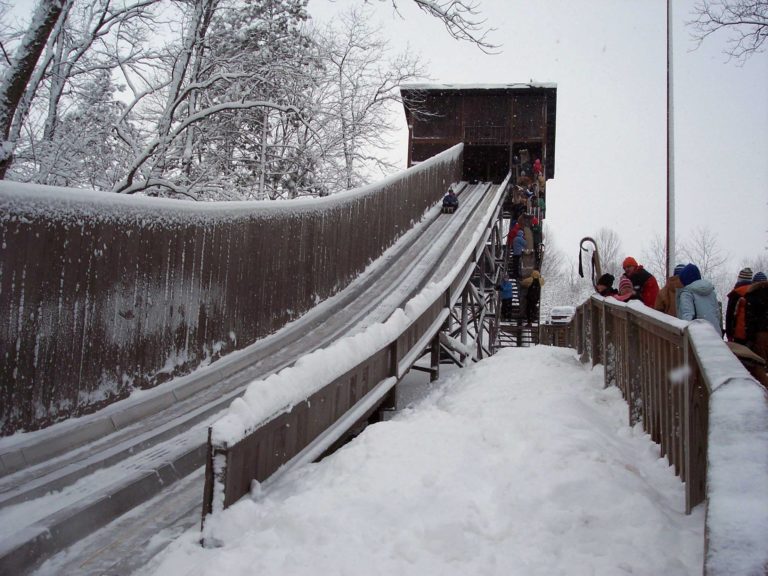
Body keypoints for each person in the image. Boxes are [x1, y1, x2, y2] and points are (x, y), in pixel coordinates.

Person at [676, 263, 722, 335]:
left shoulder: (687, 293)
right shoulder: (711, 291)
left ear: (685, 279)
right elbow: (717, 314)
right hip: (715, 334)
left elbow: (687, 317)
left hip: (698, 336)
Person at [745, 271, 768, 367]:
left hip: (760, 335)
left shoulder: (751, 296)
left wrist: (749, 338)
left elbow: (750, 319)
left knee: (760, 364)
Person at [725, 267, 753, 344]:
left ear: (739, 279)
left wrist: (729, 334)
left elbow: (729, 315)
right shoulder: (755, 293)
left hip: (738, 333)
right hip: (752, 334)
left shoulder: (735, 294)